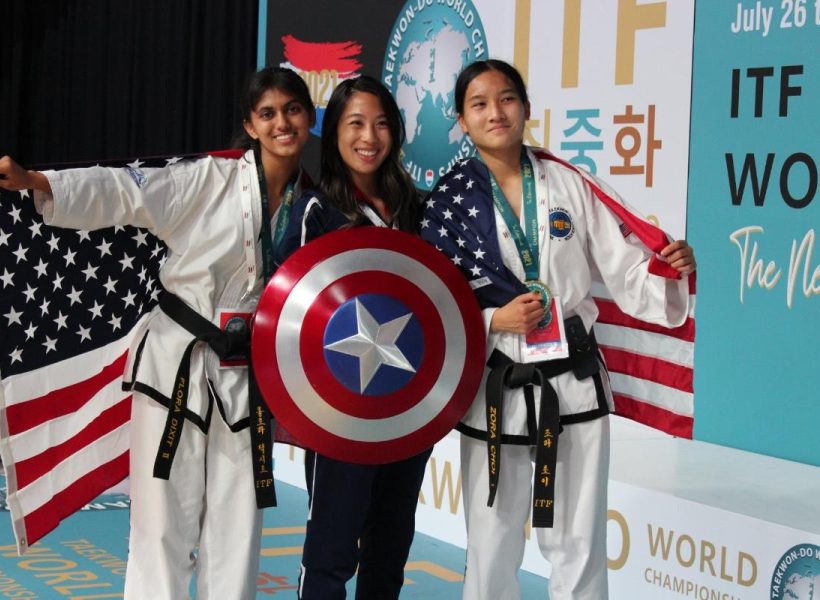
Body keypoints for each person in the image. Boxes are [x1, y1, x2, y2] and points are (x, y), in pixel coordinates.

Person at [0, 67, 316, 599]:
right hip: (174, 367)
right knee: (162, 525)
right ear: (249, 125)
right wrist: (42, 182)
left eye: (293, 110)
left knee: (239, 529)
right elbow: (128, 190)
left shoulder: (312, 208)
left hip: (248, 381)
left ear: (310, 117)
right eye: (268, 113)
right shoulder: (209, 178)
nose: (282, 123)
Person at [421, 59, 696, 600]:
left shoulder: (569, 182)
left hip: (572, 383)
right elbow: (433, 307)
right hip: (497, 385)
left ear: (526, 107)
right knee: (492, 542)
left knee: (578, 539)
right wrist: (492, 319)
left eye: (506, 99)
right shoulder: (447, 203)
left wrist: (669, 266)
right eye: (479, 104)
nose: (494, 112)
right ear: (461, 120)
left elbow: (624, 269)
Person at [274, 75, 427, 600]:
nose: (370, 136)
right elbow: (287, 317)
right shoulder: (316, 212)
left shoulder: (418, 210)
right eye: (355, 123)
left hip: (409, 404)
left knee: (390, 550)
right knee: (331, 551)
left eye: (382, 123)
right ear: (334, 133)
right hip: (340, 413)